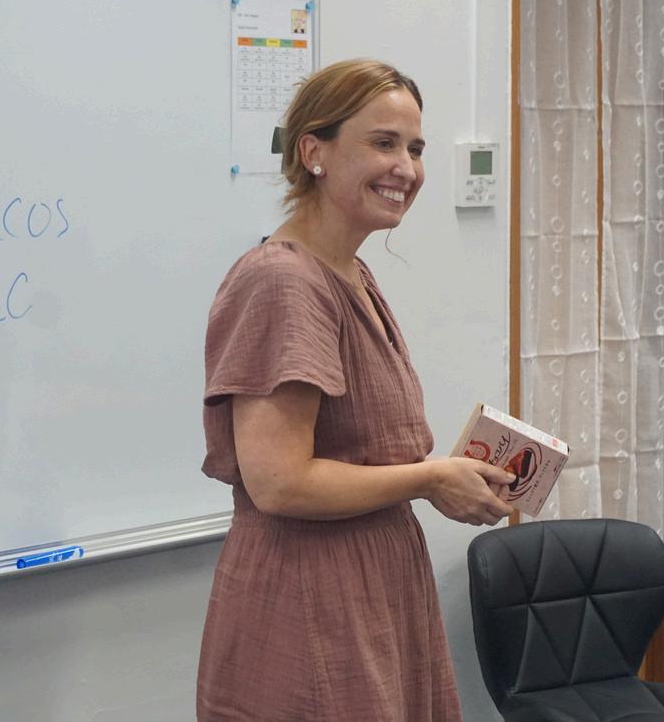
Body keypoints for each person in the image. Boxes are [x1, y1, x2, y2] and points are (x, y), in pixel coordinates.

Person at [197, 59, 515, 721]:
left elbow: (362, 451)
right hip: (310, 595)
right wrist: (432, 477)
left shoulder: (353, 274)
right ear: (313, 151)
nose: (406, 168)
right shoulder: (283, 282)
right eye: (383, 143)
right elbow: (280, 484)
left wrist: (447, 476)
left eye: (415, 148)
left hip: (373, 585)